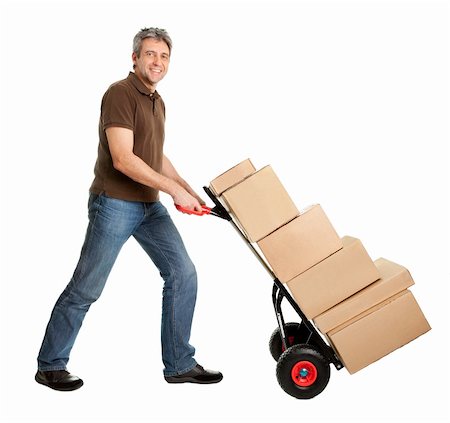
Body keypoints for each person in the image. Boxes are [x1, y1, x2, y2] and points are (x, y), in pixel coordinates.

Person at [35, 27, 223, 391]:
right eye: (150, 54)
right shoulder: (120, 93)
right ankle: (50, 365)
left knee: (183, 274)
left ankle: (179, 364)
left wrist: (185, 189)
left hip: (148, 205)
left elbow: (155, 154)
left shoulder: (157, 100)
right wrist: (171, 190)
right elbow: (123, 159)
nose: (158, 62)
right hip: (115, 203)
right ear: (135, 57)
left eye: (164, 56)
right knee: (87, 287)